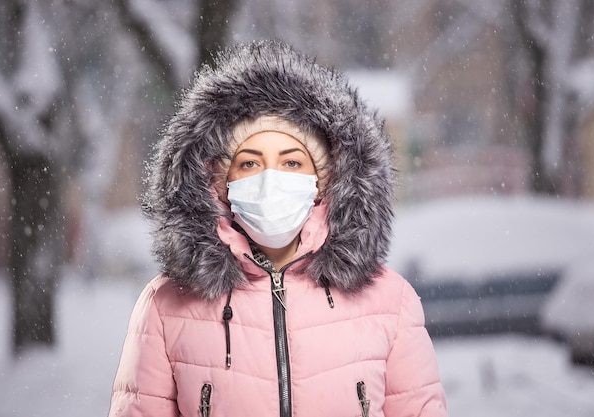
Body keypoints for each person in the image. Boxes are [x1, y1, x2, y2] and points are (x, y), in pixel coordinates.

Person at [108, 39, 447, 417]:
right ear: (219, 183)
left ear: (323, 181)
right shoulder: (165, 307)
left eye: (291, 163)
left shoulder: (390, 302)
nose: (270, 180)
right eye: (250, 164)